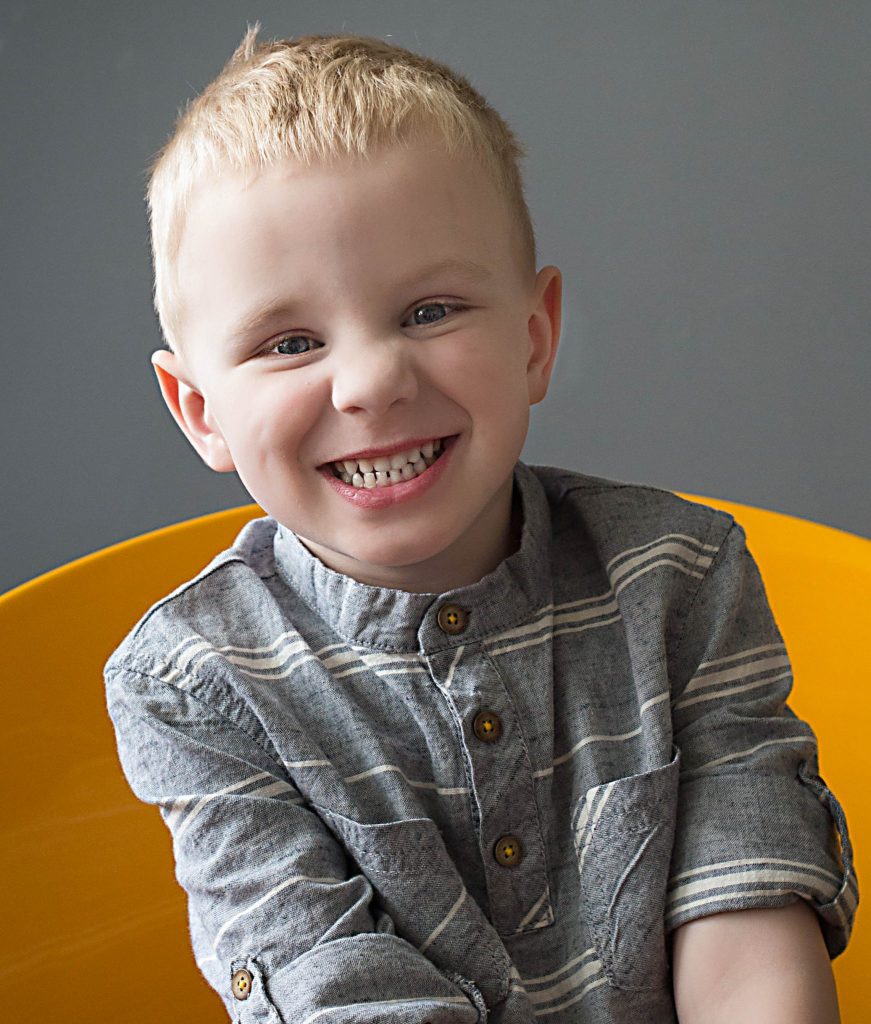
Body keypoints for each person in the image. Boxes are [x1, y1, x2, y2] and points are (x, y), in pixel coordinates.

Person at [104, 24, 857, 1024]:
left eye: (430, 311)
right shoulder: (192, 684)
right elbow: (336, 986)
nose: (372, 381)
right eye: (290, 342)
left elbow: (746, 915)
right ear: (200, 409)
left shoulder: (678, 574)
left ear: (535, 336)